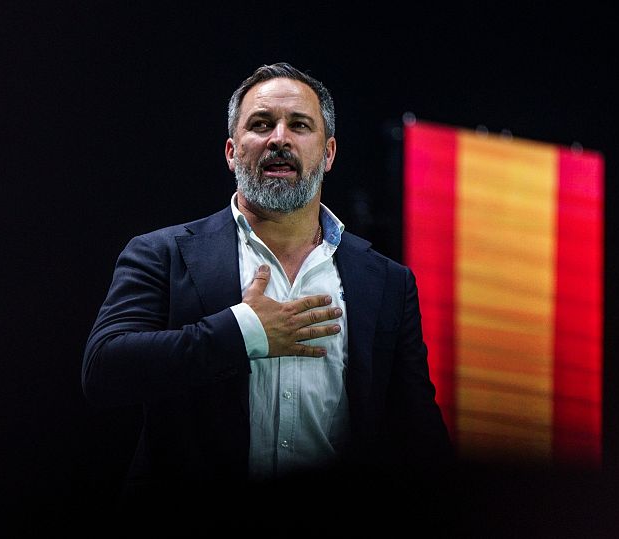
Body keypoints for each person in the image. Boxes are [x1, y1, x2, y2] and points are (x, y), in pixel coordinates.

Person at [82, 62, 455, 533]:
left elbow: (418, 433)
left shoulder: (386, 281)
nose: (279, 138)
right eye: (261, 125)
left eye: (299, 125)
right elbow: (104, 370)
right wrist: (245, 332)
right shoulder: (162, 254)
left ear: (329, 152)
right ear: (232, 151)